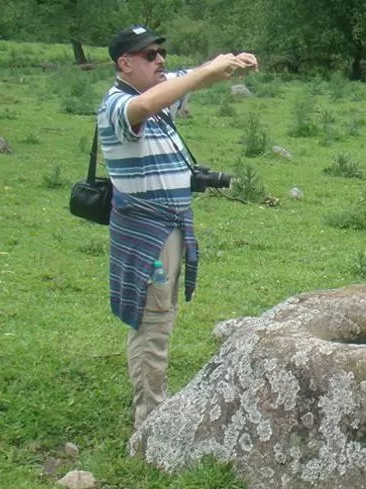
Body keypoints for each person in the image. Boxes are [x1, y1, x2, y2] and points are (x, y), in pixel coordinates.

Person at [98, 25, 258, 431]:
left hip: (167, 229)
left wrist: (230, 65)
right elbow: (150, 103)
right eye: (149, 55)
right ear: (124, 63)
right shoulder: (118, 106)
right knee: (151, 323)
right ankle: (150, 419)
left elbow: (184, 82)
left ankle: (154, 407)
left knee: (160, 317)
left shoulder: (156, 100)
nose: (160, 60)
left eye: (160, 53)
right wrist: (205, 72)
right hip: (146, 233)